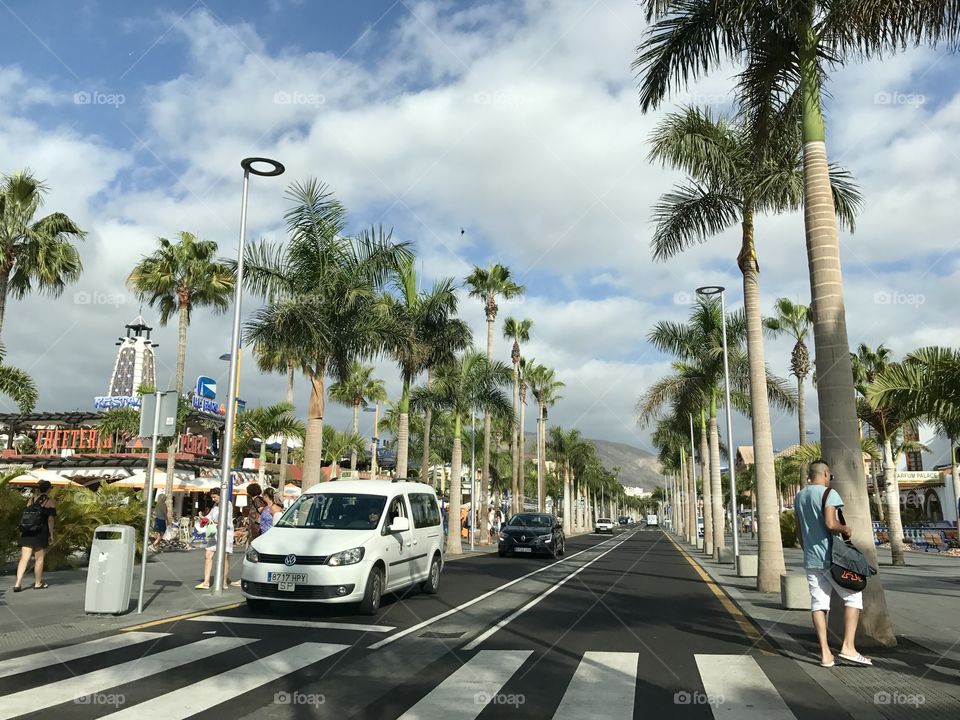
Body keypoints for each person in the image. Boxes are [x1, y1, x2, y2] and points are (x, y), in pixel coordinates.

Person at [794, 460, 871, 668]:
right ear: (826, 474)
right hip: (833, 558)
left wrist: (807, 548)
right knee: (854, 597)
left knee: (819, 603)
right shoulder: (830, 494)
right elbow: (830, 524)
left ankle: (826, 654)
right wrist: (845, 529)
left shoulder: (800, 496)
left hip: (811, 559)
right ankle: (848, 647)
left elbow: (798, 530)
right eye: (830, 476)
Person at [14, 480, 56, 591]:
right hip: (41, 532)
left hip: (27, 532)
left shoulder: (31, 499)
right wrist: (51, 534)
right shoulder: (50, 501)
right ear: (48, 489)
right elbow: (50, 519)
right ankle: (38, 583)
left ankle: (18, 584)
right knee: (39, 559)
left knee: (24, 558)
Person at [196, 487, 235, 590]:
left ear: (220, 495)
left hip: (226, 532)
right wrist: (202, 518)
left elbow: (225, 519)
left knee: (224, 557)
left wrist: (212, 522)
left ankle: (224, 581)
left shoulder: (227, 504)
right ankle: (206, 582)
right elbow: (209, 517)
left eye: (214, 497)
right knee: (208, 554)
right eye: (212, 497)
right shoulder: (215, 505)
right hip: (215, 532)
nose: (213, 499)